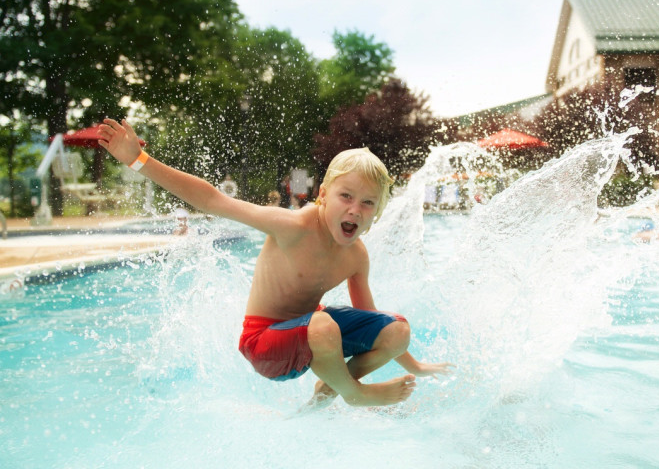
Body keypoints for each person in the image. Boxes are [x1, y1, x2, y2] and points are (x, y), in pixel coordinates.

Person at [98, 118, 451, 408]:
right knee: (323, 323)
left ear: (378, 212)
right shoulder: (292, 227)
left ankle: (329, 389)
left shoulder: (356, 256)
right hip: (265, 345)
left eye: (368, 203)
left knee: (397, 330)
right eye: (346, 196)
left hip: (314, 336)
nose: (355, 209)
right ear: (324, 195)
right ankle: (353, 393)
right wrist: (137, 160)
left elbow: (372, 320)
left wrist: (413, 363)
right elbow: (211, 199)